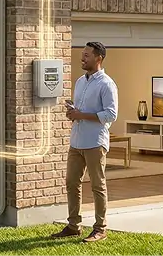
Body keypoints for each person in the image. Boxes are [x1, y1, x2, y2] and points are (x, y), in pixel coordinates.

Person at [53, 41, 118, 243]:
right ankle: (74, 225)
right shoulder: (81, 81)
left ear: (98, 58)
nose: (82, 58)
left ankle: (100, 228)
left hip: (95, 142)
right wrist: (73, 112)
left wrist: (82, 114)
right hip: (77, 141)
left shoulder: (107, 84)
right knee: (72, 183)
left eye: (87, 55)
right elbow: (81, 111)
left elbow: (111, 114)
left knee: (98, 185)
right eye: (82, 54)